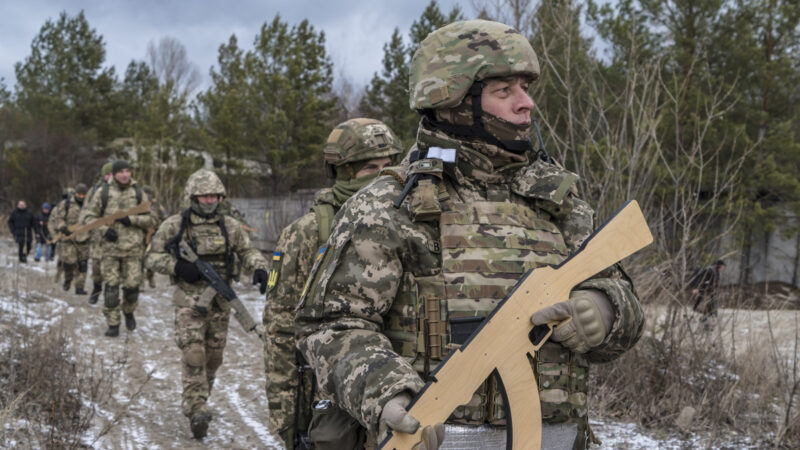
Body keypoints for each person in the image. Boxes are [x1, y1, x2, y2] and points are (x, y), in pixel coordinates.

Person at [295, 20, 644, 450]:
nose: (526, 104)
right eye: (505, 91)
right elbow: (330, 324)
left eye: (526, 87)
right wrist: (388, 395)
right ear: (455, 101)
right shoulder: (391, 203)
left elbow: (622, 294)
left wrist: (606, 310)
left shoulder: (558, 202)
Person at [264, 118, 403, 449]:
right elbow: (280, 332)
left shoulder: (406, 223)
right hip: (331, 398)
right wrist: (287, 421)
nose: (383, 176)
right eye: (371, 167)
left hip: (395, 393)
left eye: (389, 166)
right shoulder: (306, 233)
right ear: (343, 172)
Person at [145, 168, 269, 439]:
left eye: (214, 196)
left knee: (213, 357)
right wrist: (177, 266)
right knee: (194, 354)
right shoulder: (176, 225)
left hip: (221, 303)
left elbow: (247, 250)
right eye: (204, 196)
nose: (209, 200)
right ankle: (196, 408)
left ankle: (202, 397)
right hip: (189, 301)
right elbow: (151, 257)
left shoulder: (230, 226)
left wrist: (258, 267)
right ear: (193, 197)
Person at [82, 160, 157, 337]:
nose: (125, 174)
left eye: (127, 171)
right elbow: (88, 218)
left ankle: (129, 311)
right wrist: (105, 230)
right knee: (111, 288)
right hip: (110, 250)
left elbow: (153, 219)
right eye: (121, 171)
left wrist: (132, 220)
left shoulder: (139, 193)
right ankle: (113, 323)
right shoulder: (103, 193)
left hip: (133, 250)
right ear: (114, 174)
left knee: (132, 287)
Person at [84, 162, 114, 304]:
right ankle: (96, 288)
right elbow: (86, 212)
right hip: (97, 235)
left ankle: (111, 293)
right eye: (107, 174)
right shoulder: (95, 191)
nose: (110, 177)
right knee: (96, 266)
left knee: (112, 267)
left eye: (112, 174)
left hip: (116, 236)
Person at [52, 184, 91, 294]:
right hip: (69, 239)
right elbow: (59, 218)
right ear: (75, 194)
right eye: (79, 194)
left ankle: (80, 288)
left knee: (83, 265)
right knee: (69, 262)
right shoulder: (66, 204)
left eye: (84, 195)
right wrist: (63, 227)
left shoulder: (90, 206)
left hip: (84, 239)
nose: (81, 197)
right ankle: (68, 279)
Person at [141, 185, 167, 289]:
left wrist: (160, 229)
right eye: (145, 195)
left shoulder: (156, 205)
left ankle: (150, 277)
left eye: (149, 195)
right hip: (142, 234)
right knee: (140, 259)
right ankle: (140, 283)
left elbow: (165, 217)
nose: (147, 197)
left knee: (150, 257)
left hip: (154, 234)